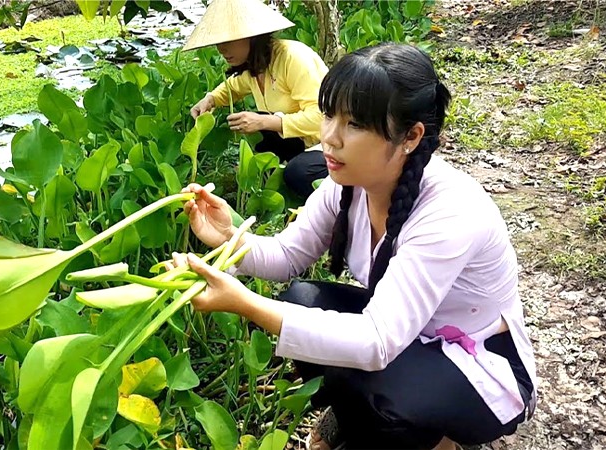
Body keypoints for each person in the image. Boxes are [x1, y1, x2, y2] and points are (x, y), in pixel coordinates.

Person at [170, 43, 538, 450]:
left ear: (411, 136)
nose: (329, 137)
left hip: (479, 364)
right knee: (303, 300)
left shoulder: (450, 211)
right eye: (329, 115)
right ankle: (364, 419)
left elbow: (377, 342)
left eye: (354, 124)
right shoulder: (344, 184)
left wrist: (246, 303)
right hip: (408, 336)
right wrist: (228, 237)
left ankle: (438, 438)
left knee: (375, 381)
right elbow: (288, 256)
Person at [183, 0, 329, 199]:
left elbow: (322, 118)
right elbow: (232, 87)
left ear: (251, 37)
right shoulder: (255, 67)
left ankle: (341, 205)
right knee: (263, 126)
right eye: (218, 43)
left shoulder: (292, 58)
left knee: (297, 172)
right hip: (301, 144)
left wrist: (264, 121)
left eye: (228, 41)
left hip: (332, 143)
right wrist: (210, 100)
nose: (221, 49)